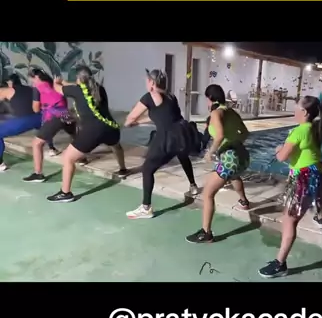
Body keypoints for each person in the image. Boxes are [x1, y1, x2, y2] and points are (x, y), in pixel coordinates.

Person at [258, 96, 322, 278]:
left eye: (296, 108)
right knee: (301, 209)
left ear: (304, 112)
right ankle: (320, 218)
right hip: (315, 175)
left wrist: (278, 149)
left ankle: (280, 264)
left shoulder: (299, 131)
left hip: (303, 179)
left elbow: (282, 157)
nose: (294, 111)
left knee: (289, 220)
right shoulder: (314, 128)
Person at [44, 65, 127, 203]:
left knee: (67, 158)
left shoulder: (76, 90)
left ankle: (65, 193)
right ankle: (123, 169)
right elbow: (78, 86)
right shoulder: (99, 88)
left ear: (78, 79)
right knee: (116, 146)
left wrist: (56, 82)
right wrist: (65, 82)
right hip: (110, 127)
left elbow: (58, 89)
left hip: (93, 131)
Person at [125, 69, 200, 220]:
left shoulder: (149, 97)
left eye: (148, 80)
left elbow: (131, 118)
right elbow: (161, 116)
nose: (146, 82)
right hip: (181, 134)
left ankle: (146, 208)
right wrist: (140, 122)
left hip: (167, 138)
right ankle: (193, 186)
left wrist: (129, 122)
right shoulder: (170, 96)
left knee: (147, 169)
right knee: (182, 155)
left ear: (152, 83)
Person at [186, 84, 250, 244]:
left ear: (210, 98)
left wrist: (211, 151)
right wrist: (233, 143)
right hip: (242, 156)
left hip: (230, 158)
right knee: (234, 176)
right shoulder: (231, 111)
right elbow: (245, 133)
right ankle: (244, 202)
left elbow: (219, 135)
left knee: (207, 193)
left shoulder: (216, 113)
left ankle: (206, 233)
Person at [21, 68, 79, 183]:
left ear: (36, 78)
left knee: (36, 143)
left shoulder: (37, 88)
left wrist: (43, 107)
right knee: (76, 137)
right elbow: (74, 88)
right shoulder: (56, 83)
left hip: (54, 116)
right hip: (67, 115)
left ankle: (38, 174)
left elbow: (35, 109)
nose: (32, 82)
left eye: (32, 79)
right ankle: (82, 158)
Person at [0, 73, 42, 172]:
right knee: (44, 131)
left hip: (24, 121)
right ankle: (53, 148)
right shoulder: (30, 88)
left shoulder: (8, 90)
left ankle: (0, 164)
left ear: (10, 83)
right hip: (39, 118)